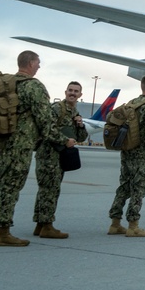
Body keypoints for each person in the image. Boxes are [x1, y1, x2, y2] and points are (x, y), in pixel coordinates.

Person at [0, 51, 76, 246]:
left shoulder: (3, 84)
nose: (39, 66)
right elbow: (45, 122)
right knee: (10, 186)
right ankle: (2, 232)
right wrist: (63, 140)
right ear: (31, 63)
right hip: (19, 145)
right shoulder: (33, 86)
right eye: (38, 63)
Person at [33, 80, 88, 238]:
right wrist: (65, 141)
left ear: (80, 95)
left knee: (47, 190)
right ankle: (47, 226)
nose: (72, 93)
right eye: (70, 90)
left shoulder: (74, 113)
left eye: (76, 91)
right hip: (48, 155)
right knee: (50, 190)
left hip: (59, 157)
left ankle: (40, 225)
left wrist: (80, 125)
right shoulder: (57, 108)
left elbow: (81, 137)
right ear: (65, 92)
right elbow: (47, 129)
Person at [107, 76, 145, 237]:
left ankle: (115, 223)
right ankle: (133, 225)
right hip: (141, 154)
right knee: (138, 189)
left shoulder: (131, 103)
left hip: (127, 151)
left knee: (124, 186)